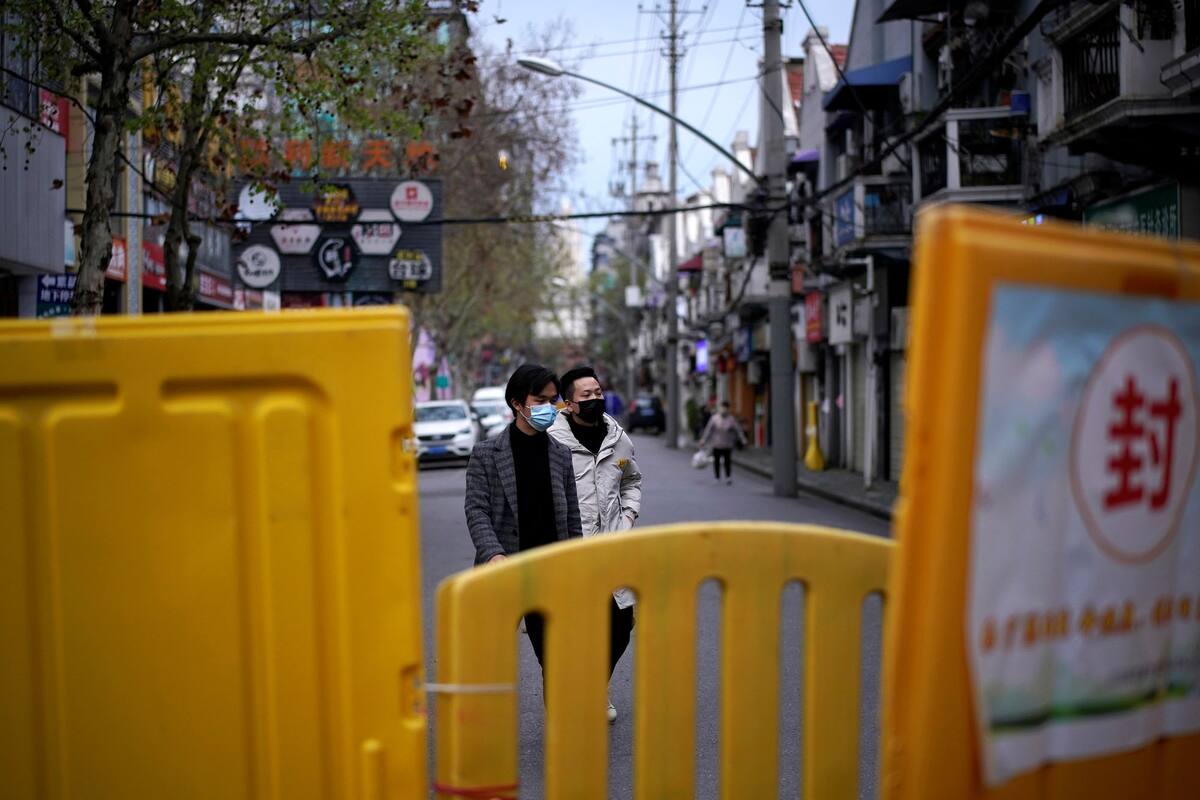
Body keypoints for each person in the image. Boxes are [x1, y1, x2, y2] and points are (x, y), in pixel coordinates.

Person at [464, 364, 583, 681]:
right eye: (539, 400)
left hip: (550, 571)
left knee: (557, 661)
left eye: (552, 400)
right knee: (493, 663)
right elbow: (476, 509)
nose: (548, 408)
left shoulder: (560, 454)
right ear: (517, 403)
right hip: (504, 569)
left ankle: (561, 728)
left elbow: (572, 516)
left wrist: (577, 561)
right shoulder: (486, 453)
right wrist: (493, 553)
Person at [549, 365, 642, 723]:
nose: (594, 399)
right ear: (568, 403)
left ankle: (593, 685)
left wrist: (629, 517)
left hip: (613, 550)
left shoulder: (618, 437)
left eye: (598, 393)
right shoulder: (553, 440)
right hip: (569, 550)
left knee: (620, 628)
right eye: (585, 395)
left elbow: (632, 480)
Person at [698, 401, 746, 485]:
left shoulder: (731, 419)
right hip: (716, 443)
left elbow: (738, 430)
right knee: (716, 461)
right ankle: (717, 477)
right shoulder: (714, 418)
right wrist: (703, 440)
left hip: (727, 444)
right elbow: (708, 430)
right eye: (722, 407)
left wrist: (743, 439)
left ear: (728, 409)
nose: (723, 409)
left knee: (727, 461)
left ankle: (728, 477)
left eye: (725, 408)